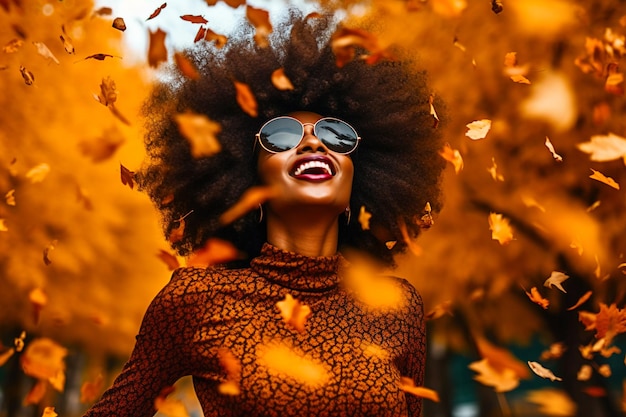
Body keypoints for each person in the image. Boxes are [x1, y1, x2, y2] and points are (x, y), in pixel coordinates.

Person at [84, 10, 445, 417]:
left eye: (336, 136)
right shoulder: (195, 302)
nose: (313, 145)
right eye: (282, 135)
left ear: (357, 189)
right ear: (247, 184)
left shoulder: (398, 308)